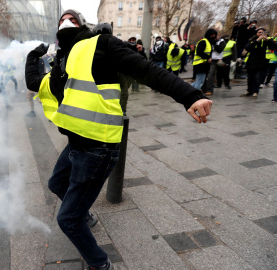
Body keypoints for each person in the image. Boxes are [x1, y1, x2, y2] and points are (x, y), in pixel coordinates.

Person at [25, 9, 212, 270]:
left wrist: (190, 96)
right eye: (62, 20)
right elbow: (35, 82)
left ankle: (100, 264)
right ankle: (85, 216)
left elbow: (147, 70)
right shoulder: (60, 64)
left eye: (72, 19)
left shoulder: (102, 44)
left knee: (67, 219)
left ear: (82, 25)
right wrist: (33, 56)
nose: (66, 22)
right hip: (76, 145)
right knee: (57, 183)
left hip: (98, 148)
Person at [242, 28, 277, 97]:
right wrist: (257, 40)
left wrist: (268, 40)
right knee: (250, 78)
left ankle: (255, 91)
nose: (261, 34)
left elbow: (274, 47)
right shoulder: (253, 39)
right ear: (256, 33)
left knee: (257, 78)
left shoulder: (268, 40)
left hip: (262, 62)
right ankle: (249, 90)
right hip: (251, 61)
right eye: (259, 32)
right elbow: (247, 47)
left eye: (262, 32)